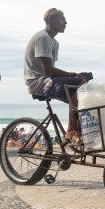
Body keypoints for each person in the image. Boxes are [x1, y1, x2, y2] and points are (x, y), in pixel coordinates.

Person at [24, 8, 91, 144]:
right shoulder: (43, 38)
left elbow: (52, 71)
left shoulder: (54, 42)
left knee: (82, 89)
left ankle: (77, 129)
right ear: (50, 20)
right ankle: (72, 131)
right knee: (80, 83)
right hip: (39, 82)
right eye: (62, 19)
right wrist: (74, 75)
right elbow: (49, 70)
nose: (65, 22)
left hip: (48, 80)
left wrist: (76, 76)